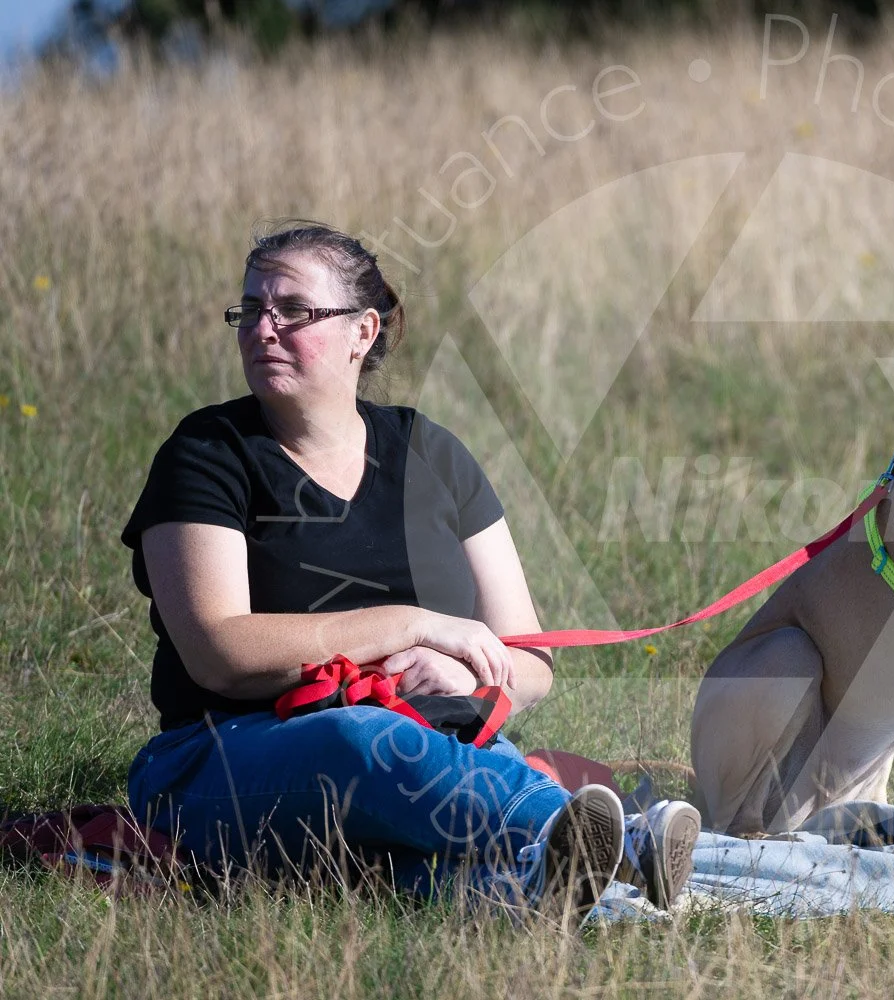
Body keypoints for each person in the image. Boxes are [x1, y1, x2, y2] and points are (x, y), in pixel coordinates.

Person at [120, 220, 700, 921]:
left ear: (362, 332)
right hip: (222, 758)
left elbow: (531, 657)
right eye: (251, 309)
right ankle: (608, 844)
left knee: (404, 856)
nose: (262, 328)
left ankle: (542, 894)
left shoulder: (433, 454)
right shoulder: (206, 454)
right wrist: (411, 625)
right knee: (360, 740)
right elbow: (220, 654)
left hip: (440, 745)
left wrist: (475, 674)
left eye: (292, 310)